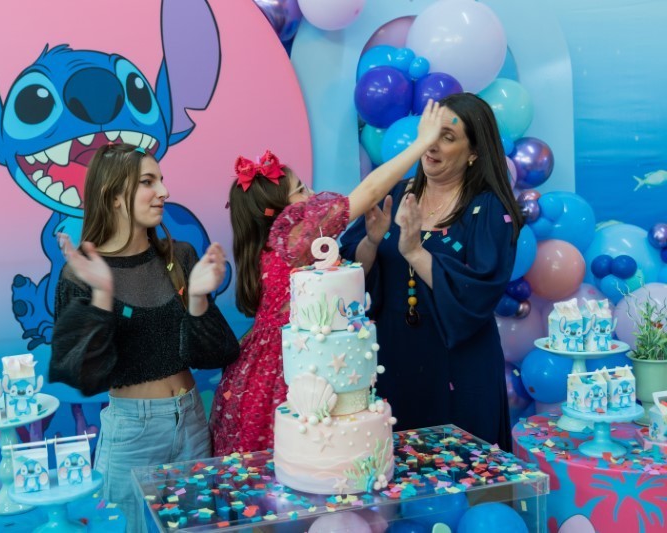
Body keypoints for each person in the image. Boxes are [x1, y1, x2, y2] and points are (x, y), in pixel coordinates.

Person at [210, 100, 448, 455]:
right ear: (280, 212)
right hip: (291, 370)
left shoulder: (273, 250)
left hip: (273, 366)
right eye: (300, 190)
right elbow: (368, 192)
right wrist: (421, 143)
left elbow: (342, 281)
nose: (311, 195)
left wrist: (371, 240)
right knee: (302, 454)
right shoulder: (293, 239)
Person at [49, 143, 239, 532]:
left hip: (191, 420)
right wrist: (102, 297)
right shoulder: (82, 274)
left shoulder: (180, 257)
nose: (164, 192)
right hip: (132, 433)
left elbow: (216, 353)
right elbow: (85, 375)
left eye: (161, 180)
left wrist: (198, 299)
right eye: (148, 182)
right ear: (114, 196)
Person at [339, 93, 524, 450]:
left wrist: (414, 250)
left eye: (447, 137)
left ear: (473, 153)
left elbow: (480, 290)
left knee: (462, 469)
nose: (432, 146)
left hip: (459, 367)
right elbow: (350, 271)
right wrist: (372, 242)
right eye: (430, 134)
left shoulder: (489, 209)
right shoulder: (395, 193)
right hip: (394, 359)